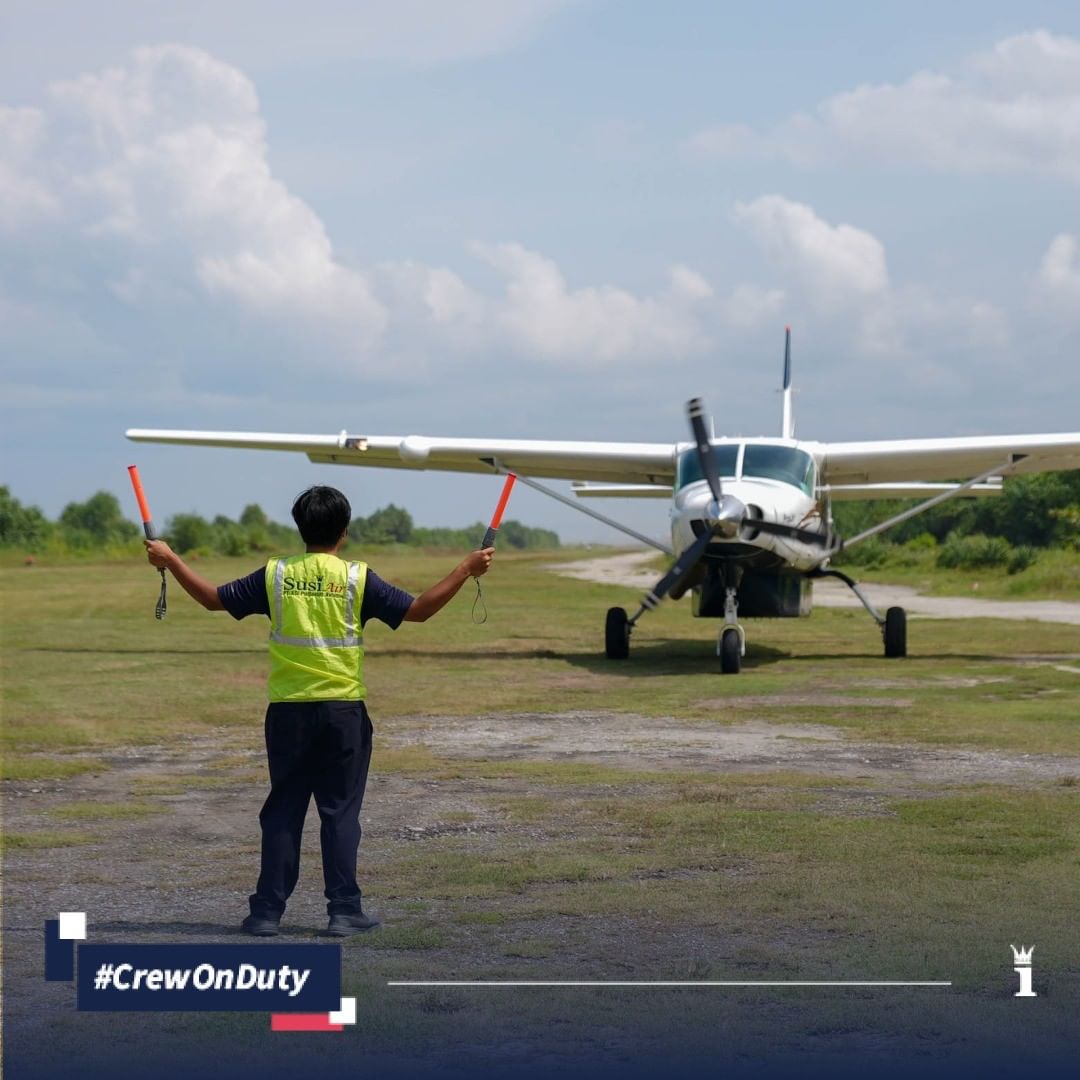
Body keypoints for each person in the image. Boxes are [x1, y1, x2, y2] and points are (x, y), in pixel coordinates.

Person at [143, 485, 494, 937]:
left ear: (299, 526)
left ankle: (266, 913)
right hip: (343, 715)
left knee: (284, 811)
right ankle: (344, 909)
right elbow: (419, 610)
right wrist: (465, 568)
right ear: (343, 532)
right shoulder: (355, 578)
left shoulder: (275, 575)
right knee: (340, 813)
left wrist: (170, 560)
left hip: (288, 714)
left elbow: (213, 599)